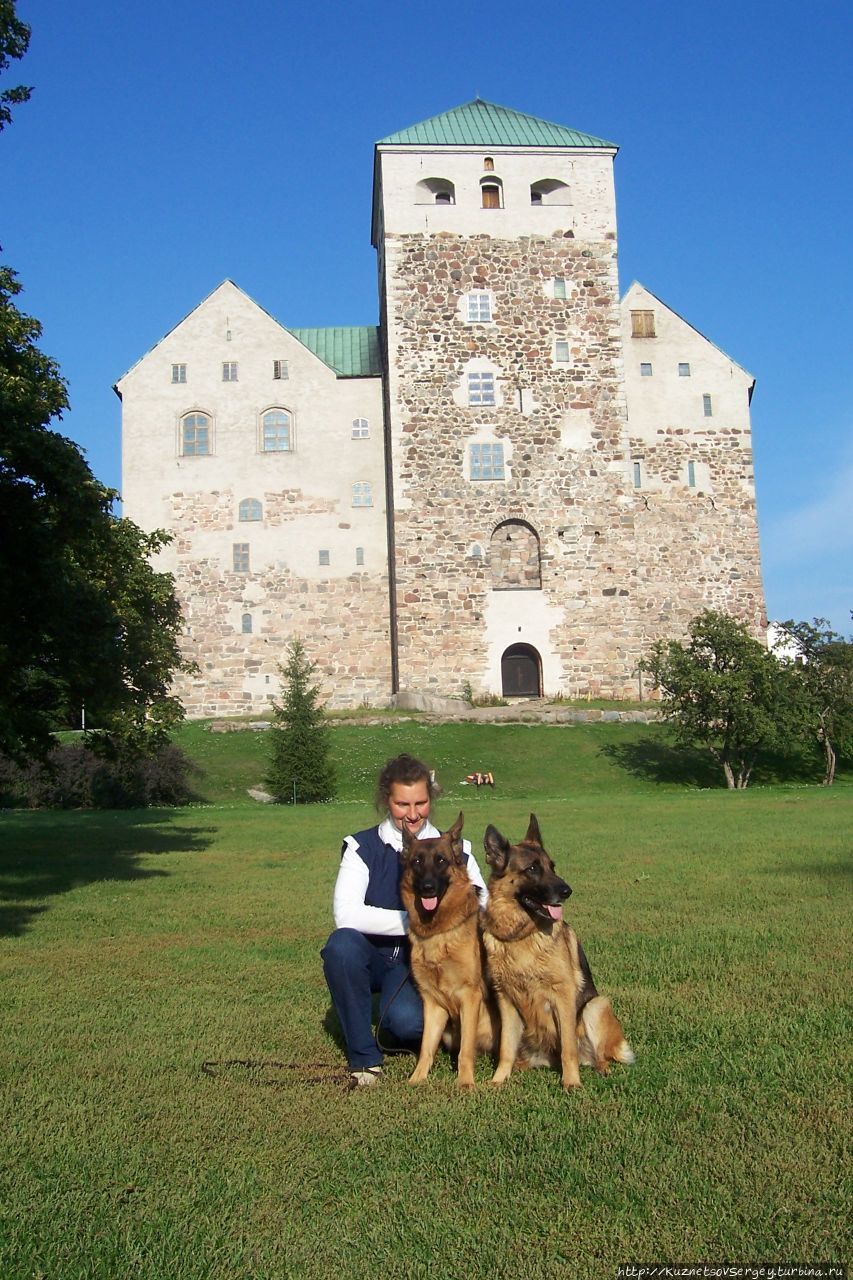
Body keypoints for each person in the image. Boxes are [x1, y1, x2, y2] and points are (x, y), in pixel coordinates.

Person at [321, 752, 488, 1087]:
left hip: (424, 963)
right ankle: (365, 1061)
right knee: (341, 947)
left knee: (409, 1024)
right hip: (376, 956)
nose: (412, 815)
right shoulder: (362, 847)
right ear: (387, 801)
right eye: (402, 805)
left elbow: (480, 903)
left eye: (421, 804)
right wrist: (418, 921)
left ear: (431, 800)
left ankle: (419, 1029)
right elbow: (346, 914)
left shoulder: (457, 849)